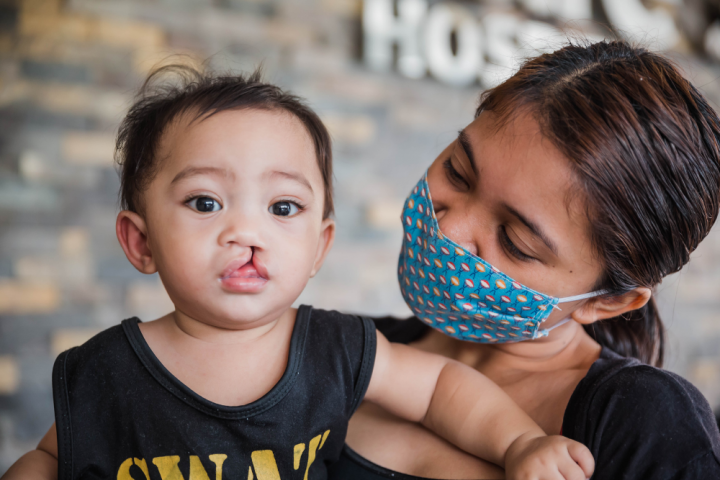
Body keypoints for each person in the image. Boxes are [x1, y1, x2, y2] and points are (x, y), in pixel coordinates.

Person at [1, 67, 594, 480]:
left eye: (283, 208)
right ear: (141, 240)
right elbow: (52, 458)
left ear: (319, 247)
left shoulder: (334, 348)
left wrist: (521, 443)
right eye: (206, 203)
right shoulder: (105, 368)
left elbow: (441, 389)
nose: (247, 232)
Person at [330, 40, 720, 480]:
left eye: (516, 241)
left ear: (607, 302)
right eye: (458, 171)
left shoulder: (643, 422)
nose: (451, 229)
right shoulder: (353, 353)